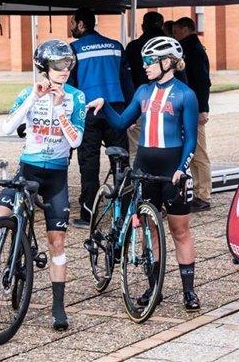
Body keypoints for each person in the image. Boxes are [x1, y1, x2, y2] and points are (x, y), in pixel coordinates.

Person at [87, 36, 201, 312]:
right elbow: (121, 122)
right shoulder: (142, 92)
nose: (145, 66)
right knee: (150, 227)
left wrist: (181, 168)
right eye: (144, 61)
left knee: (180, 231)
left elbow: (191, 140)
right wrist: (105, 106)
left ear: (168, 63)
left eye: (150, 61)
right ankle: (155, 287)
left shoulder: (186, 94)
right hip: (145, 166)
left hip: (172, 168)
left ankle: (189, 291)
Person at [0, 40, 85, 330]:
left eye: (68, 64)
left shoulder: (75, 97)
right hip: (28, 170)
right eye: (58, 65)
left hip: (56, 175)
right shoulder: (27, 93)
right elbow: (6, 129)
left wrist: (58, 109)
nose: (65, 70)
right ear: (44, 67)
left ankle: (58, 307)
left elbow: (76, 141)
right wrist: (34, 98)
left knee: (57, 243)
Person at [67, 7, 132, 228]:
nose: (71, 26)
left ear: (82, 24)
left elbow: (70, 87)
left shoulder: (73, 49)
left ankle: (89, 215)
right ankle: (125, 213)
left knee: (89, 164)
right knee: (121, 163)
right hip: (117, 110)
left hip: (88, 112)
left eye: (73, 22)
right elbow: (127, 82)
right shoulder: (116, 46)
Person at [172, 17, 212, 213]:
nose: (174, 34)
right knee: (194, 151)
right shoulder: (189, 48)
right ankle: (198, 191)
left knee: (199, 152)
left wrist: (203, 108)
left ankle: (203, 194)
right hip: (192, 106)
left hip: (195, 108)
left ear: (186, 29)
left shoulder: (192, 50)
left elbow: (203, 81)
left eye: (177, 30)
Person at [123, 12, 166, 159]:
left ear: (142, 27)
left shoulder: (133, 47)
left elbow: (126, 78)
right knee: (165, 146)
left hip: (140, 104)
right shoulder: (170, 46)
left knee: (136, 148)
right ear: (162, 25)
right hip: (168, 104)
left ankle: (138, 181)